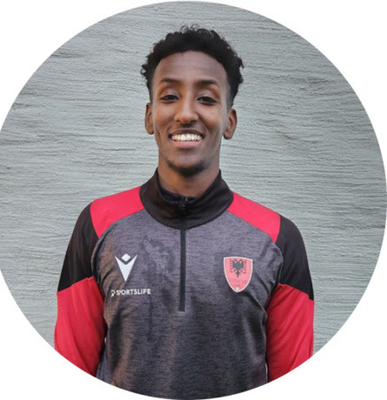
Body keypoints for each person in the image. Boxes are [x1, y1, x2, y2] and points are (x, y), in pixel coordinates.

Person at [55, 26, 314, 399]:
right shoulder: (97, 225)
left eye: (206, 99)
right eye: (170, 96)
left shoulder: (278, 238)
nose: (186, 113)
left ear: (229, 121)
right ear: (150, 117)